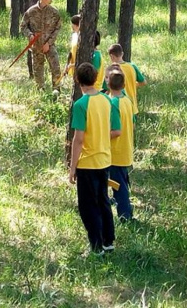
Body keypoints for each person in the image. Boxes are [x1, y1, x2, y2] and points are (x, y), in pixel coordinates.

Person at [69, 63, 121, 255]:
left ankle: (96, 246)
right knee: (103, 201)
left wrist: (72, 167)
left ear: (78, 80)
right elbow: (114, 130)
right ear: (96, 78)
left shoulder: (81, 105)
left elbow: (78, 139)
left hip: (88, 162)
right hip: (105, 160)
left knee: (88, 206)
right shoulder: (107, 101)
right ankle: (109, 241)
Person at [106, 67, 136, 221]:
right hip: (126, 148)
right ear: (124, 85)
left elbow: (116, 131)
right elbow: (133, 123)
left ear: (108, 84)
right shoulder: (127, 100)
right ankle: (120, 204)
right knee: (122, 181)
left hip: (116, 152)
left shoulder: (113, 103)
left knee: (119, 185)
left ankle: (125, 215)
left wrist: (101, 137)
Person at [21, 0, 62, 91]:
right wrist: (30, 35)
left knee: (55, 66)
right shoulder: (31, 11)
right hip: (36, 45)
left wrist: (49, 43)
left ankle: (56, 88)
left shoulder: (54, 12)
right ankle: (40, 88)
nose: (51, 0)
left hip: (50, 44)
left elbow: (58, 28)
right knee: (38, 67)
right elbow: (23, 26)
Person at [63, 14, 104, 89]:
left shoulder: (96, 55)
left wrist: (72, 66)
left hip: (94, 87)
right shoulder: (75, 36)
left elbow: (92, 70)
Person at [106, 44, 147, 114]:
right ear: (122, 54)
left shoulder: (112, 70)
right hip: (131, 105)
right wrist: (133, 85)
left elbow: (107, 90)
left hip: (117, 104)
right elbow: (143, 82)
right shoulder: (132, 66)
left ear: (111, 56)